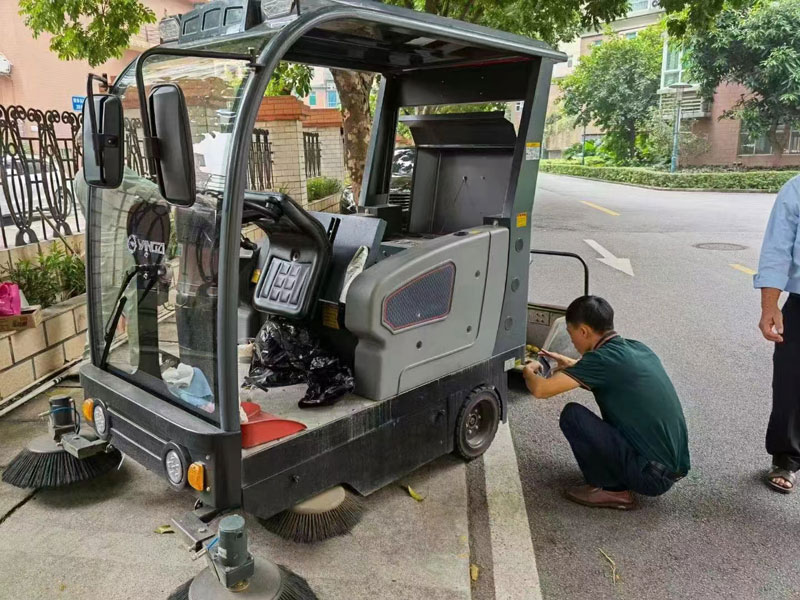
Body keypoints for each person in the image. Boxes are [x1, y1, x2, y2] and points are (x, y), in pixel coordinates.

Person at [523, 296, 690, 510]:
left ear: (583, 331)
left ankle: (612, 490)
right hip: (667, 469)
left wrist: (528, 372)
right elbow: (612, 376)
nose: (572, 341)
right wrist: (572, 365)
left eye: (571, 334)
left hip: (650, 476)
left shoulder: (601, 360)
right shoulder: (636, 348)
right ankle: (619, 478)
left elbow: (541, 389)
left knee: (573, 415)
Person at [754, 175, 800, 494]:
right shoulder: (796, 189)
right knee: (790, 384)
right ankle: (786, 458)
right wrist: (770, 305)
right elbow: (777, 248)